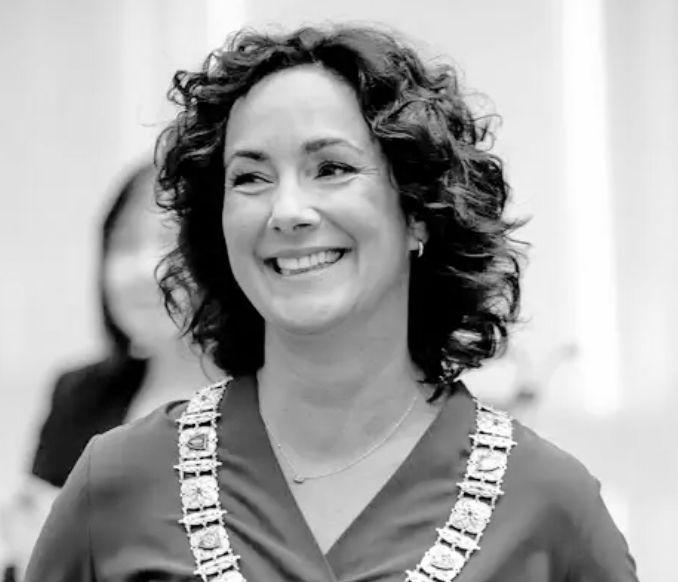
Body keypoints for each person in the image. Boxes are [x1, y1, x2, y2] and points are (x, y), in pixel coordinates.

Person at [25, 25, 637, 582]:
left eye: (332, 168)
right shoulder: (117, 483)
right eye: (250, 177)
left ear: (419, 211)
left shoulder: (551, 506)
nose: (288, 211)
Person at [2, 162, 221, 581]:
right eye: (123, 243)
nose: (141, 270)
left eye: (169, 241)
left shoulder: (268, 402)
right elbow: (27, 545)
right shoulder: (80, 393)